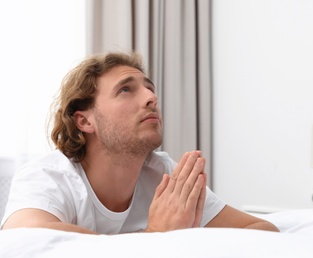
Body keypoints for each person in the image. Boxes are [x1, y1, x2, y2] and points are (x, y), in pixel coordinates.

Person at [1, 51, 279, 234]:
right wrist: (154, 238)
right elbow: (22, 239)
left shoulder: (165, 174)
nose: (151, 97)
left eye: (149, 88)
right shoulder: (47, 178)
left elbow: (261, 228)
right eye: (125, 90)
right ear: (85, 122)